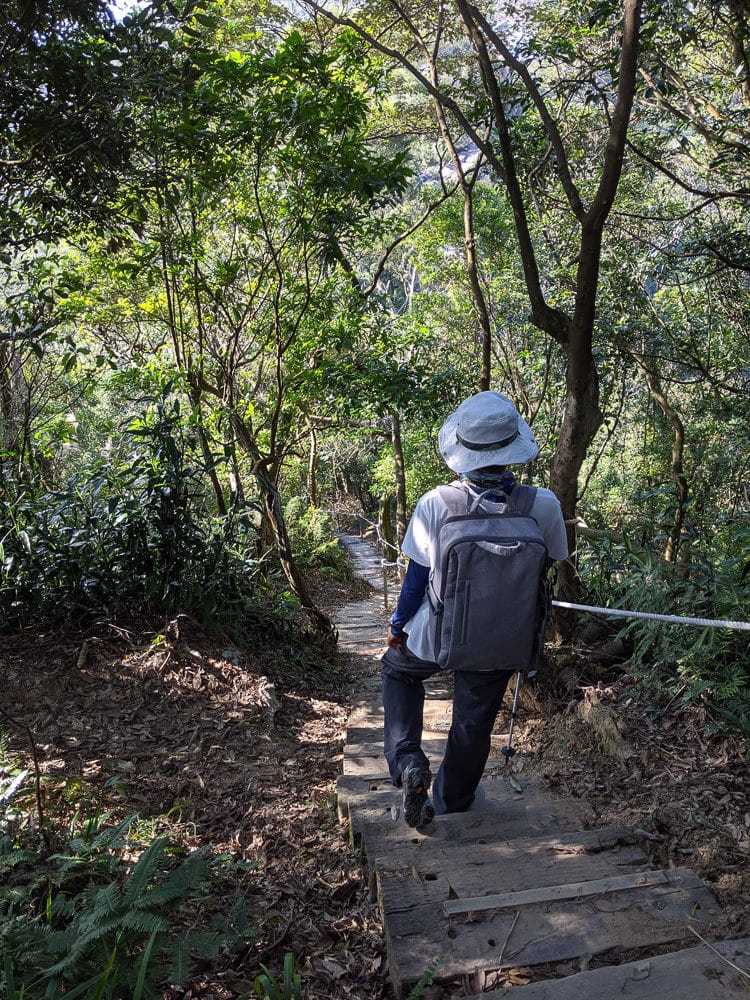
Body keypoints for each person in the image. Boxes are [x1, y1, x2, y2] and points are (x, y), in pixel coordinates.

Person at [382, 391, 568, 828]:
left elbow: (415, 581)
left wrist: (397, 625)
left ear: (461, 449)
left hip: (435, 632)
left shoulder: (437, 503)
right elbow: (552, 559)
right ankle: (450, 805)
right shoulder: (542, 504)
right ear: (513, 448)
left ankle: (408, 761)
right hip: (502, 636)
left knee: (398, 670)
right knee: (472, 723)